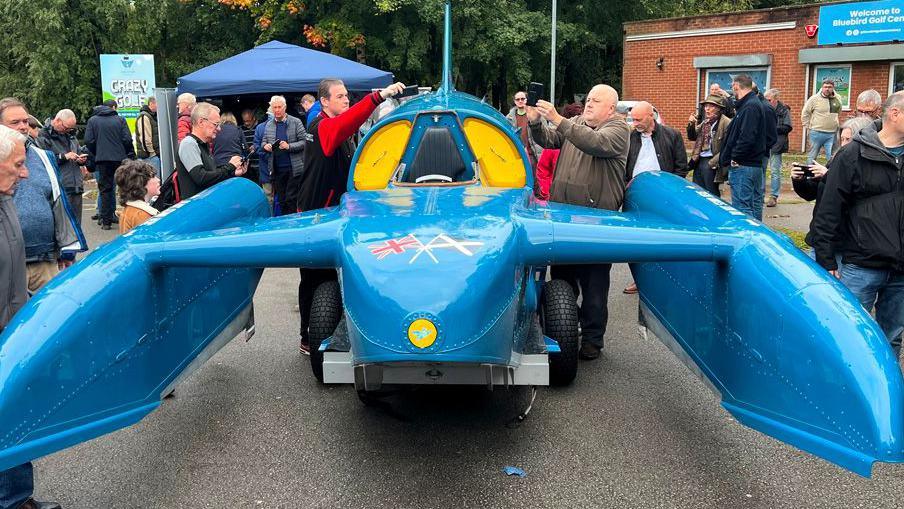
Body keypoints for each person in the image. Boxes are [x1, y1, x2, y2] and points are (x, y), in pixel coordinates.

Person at [295, 78, 405, 354]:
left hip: (330, 212)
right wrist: (377, 97)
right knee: (314, 279)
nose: (346, 100)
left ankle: (329, 327)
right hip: (315, 215)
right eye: (341, 96)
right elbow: (346, 124)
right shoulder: (322, 127)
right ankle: (308, 337)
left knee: (328, 276)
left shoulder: (336, 129)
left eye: (347, 96)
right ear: (325, 101)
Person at [527, 84, 631, 361]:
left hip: (597, 224)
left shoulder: (619, 130)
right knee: (562, 280)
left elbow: (593, 142)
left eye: (596, 101)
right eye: (588, 99)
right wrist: (536, 123)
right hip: (564, 219)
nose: (589, 104)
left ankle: (593, 340)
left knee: (594, 286)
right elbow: (549, 140)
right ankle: (562, 331)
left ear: (611, 108)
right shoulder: (575, 123)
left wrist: (558, 120)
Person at [811, 91, 904, 358]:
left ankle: (886, 396)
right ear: (894, 114)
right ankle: (840, 394)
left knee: (892, 339)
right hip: (861, 265)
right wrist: (826, 258)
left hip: (900, 272)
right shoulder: (853, 154)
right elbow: (829, 209)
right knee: (848, 336)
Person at [0, 125, 62, 509]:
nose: (25, 174)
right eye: (18, 165)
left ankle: (16, 497)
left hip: (12, 328)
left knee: (16, 414)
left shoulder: (6, 196)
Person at [0, 98, 87, 292]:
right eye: (15, 122)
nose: (23, 127)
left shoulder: (43, 156)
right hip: (9, 265)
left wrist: (66, 250)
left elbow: (57, 202)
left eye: (25, 121)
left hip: (45, 261)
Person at [622, 100, 687, 294]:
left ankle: (664, 279)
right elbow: (622, 165)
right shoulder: (629, 137)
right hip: (634, 196)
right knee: (634, 241)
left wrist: (671, 192)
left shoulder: (672, 135)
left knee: (663, 239)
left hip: (663, 197)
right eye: (632, 119)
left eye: (639, 119)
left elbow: (681, 167)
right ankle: (639, 279)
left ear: (652, 116)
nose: (635, 123)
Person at [793, 116, 870, 258]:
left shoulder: (867, 166)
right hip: (821, 237)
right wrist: (799, 180)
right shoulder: (836, 159)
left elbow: (856, 195)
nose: (844, 144)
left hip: (844, 242)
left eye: (849, 140)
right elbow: (812, 193)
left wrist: (829, 175)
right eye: (842, 139)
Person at [719, 74, 770, 220]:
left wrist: (735, 157)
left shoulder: (750, 107)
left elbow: (747, 137)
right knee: (752, 205)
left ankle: (747, 239)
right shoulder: (750, 105)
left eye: (732, 87)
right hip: (751, 165)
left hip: (744, 166)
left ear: (736, 86)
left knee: (743, 209)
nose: (732, 91)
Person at [175, 102, 246, 200]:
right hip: (197, 208)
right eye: (216, 124)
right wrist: (230, 167)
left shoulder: (202, 145)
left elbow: (211, 175)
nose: (219, 129)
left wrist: (233, 172)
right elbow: (201, 178)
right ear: (201, 122)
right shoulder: (189, 144)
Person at [84, 99, 135, 229]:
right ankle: (129, 217)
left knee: (105, 189)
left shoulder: (93, 121)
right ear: (113, 108)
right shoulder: (120, 120)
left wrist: (98, 151)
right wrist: (127, 153)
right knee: (125, 187)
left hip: (102, 159)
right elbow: (127, 139)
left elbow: (88, 140)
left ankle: (106, 221)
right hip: (120, 158)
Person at [35, 109, 88, 226]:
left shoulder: (70, 135)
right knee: (63, 226)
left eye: (71, 128)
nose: (68, 130)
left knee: (77, 224)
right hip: (60, 187)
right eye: (66, 127)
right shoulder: (43, 136)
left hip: (76, 186)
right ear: (57, 121)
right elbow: (43, 160)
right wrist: (63, 156)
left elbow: (77, 152)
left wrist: (81, 160)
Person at [261, 96, 307, 215]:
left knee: (291, 199)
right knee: (281, 200)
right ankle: (285, 224)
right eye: (274, 107)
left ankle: (293, 223)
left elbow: (305, 141)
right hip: (277, 169)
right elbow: (263, 142)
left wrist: (289, 146)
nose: (277, 110)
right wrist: (265, 146)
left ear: (285, 107)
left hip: (294, 168)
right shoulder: (269, 125)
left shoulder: (296, 122)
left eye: (279, 107)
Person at [535, 103, 583, 200]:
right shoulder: (555, 142)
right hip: (554, 197)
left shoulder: (587, 142)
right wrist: (547, 192)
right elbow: (543, 170)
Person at [687, 94, 732, 197]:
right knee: (698, 192)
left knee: (711, 194)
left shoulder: (726, 123)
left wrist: (712, 163)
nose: (707, 109)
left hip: (712, 162)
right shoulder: (706, 122)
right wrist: (691, 124)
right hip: (699, 160)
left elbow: (728, 148)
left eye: (711, 106)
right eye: (706, 106)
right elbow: (692, 137)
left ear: (719, 109)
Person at [802, 78, 842, 165]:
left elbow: (838, 112)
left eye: (830, 87)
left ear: (833, 88)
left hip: (832, 133)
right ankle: (809, 176)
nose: (827, 89)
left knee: (833, 157)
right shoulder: (814, 99)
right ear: (822, 87)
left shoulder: (838, 98)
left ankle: (830, 176)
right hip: (816, 133)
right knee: (812, 157)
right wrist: (808, 127)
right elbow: (805, 113)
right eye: (825, 87)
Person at [763, 88, 793, 207]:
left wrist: (772, 129)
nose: (766, 102)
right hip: (764, 144)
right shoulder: (763, 109)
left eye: (769, 100)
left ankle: (773, 196)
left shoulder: (784, 110)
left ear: (776, 100)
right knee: (762, 170)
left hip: (777, 143)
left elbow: (788, 127)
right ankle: (760, 195)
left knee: (775, 171)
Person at [114, 160, 160, 233]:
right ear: (140, 183)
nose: (158, 180)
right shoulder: (142, 215)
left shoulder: (131, 209)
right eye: (153, 176)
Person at [506, 91, 542, 169]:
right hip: (518, 156)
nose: (520, 101)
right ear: (514, 101)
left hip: (534, 154)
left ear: (527, 100)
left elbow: (544, 133)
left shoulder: (535, 114)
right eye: (517, 99)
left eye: (523, 99)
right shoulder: (509, 118)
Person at [135, 97, 160, 174]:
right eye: (157, 104)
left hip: (152, 155)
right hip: (149, 157)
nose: (159, 106)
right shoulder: (144, 116)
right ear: (152, 104)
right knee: (153, 181)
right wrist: (152, 153)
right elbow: (145, 138)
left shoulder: (152, 116)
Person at [240, 109, 260, 184]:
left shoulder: (260, 127)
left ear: (254, 118)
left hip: (260, 164)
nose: (246, 123)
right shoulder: (241, 129)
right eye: (244, 121)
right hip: (248, 166)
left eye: (248, 121)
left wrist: (256, 146)